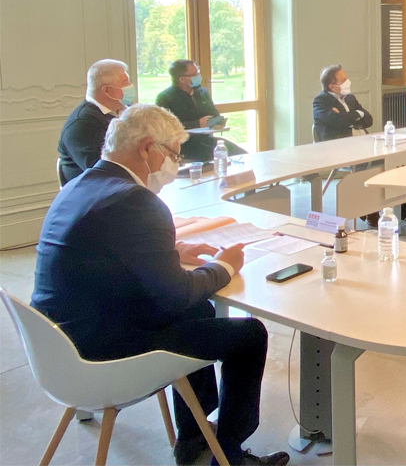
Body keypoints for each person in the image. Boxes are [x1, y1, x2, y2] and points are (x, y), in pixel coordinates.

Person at [32, 105, 289, 466]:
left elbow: (104, 251)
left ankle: (194, 436)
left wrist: (174, 251)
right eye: (173, 154)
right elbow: (176, 295)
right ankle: (228, 456)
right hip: (103, 356)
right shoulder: (135, 200)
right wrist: (224, 266)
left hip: (58, 344)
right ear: (146, 148)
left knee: (199, 310)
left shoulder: (80, 184)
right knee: (249, 335)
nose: (175, 164)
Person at [57, 59, 135, 185]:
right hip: (95, 191)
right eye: (125, 82)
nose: (130, 86)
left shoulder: (127, 110)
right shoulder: (82, 124)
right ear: (107, 90)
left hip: (124, 184)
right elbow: (102, 172)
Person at [156, 59, 246, 162]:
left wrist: (217, 122)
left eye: (198, 72)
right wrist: (197, 124)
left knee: (239, 153)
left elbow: (214, 113)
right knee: (213, 156)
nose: (198, 76)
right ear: (182, 79)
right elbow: (165, 128)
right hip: (184, 145)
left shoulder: (202, 92)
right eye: (194, 74)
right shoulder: (165, 98)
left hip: (206, 140)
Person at [313, 65, 373, 141]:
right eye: (343, 80)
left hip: (361, 140)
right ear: (332, 87)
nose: (348, 82)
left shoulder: (350, 98)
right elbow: (338, 121)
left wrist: (347, 118)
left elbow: (369, 120)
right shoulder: (321, 101)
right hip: (339, 144)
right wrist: (358, 113)